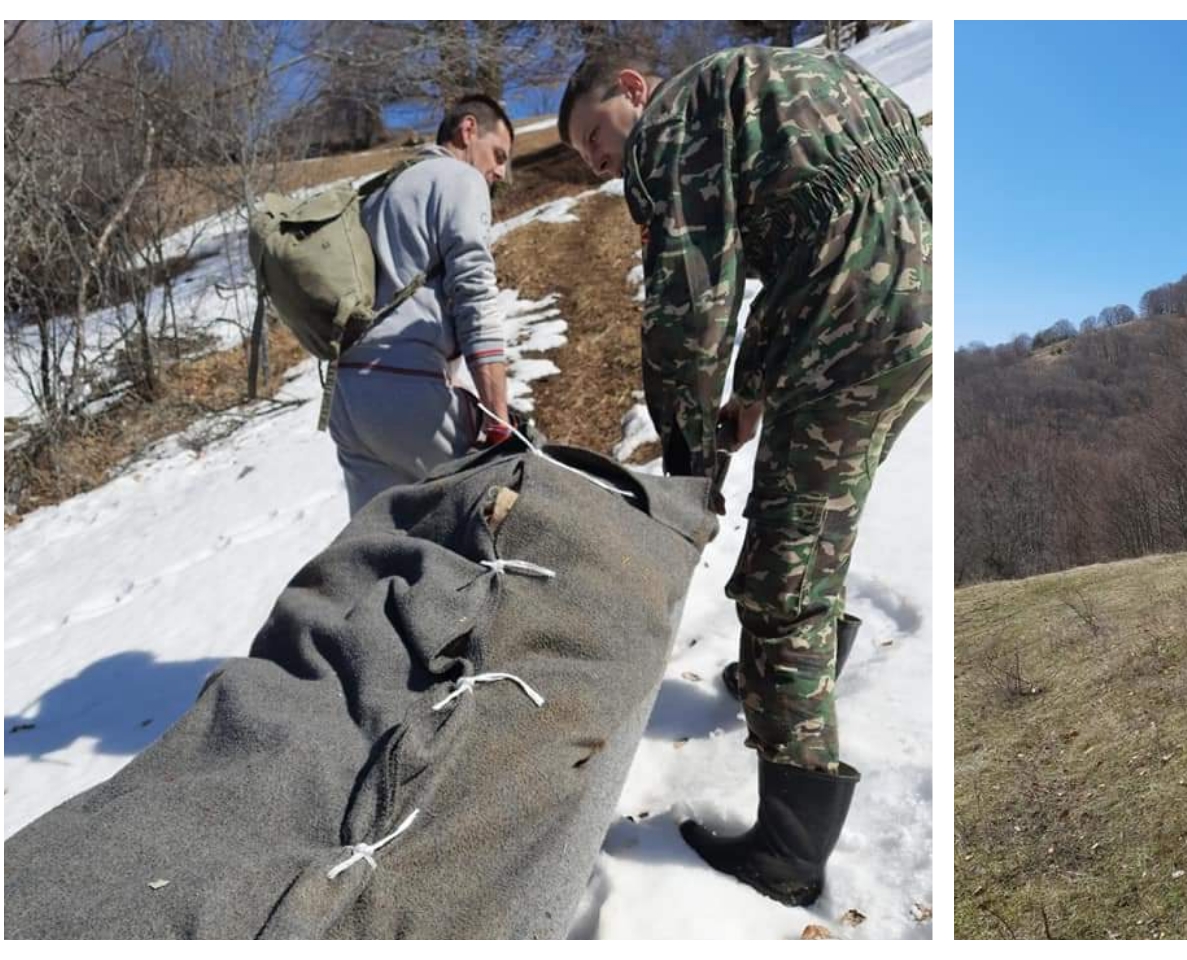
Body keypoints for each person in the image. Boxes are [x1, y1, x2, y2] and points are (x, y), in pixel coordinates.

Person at [557, 42, 931, 906]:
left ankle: (789, 851)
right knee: (822, 516)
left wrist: (687, 464)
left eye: (592, 134)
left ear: (633, 91)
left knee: (781, 580)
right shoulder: (782, 83)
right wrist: (756, 397)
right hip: (917, 309)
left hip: (848, 322)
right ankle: (790, 675)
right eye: (583, 153)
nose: (597, 158)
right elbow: (830, 219)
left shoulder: (672, 126)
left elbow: (692, 307)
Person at [328, 95, 515, 515]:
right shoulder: (458, 179)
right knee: (505, 501)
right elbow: (475, 294)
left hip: (346, 402)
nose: (501, 171)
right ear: (468, 131)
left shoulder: (378, 193)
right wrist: (500, 420)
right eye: (499, 155)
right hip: (407, 394)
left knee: (382, 553)